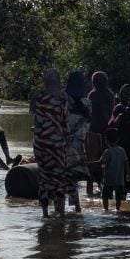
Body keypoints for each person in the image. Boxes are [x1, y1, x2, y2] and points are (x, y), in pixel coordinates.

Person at [30, 68, 70, 217]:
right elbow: (65, 121)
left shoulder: (37, 96)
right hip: (57, 144)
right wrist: (66, 139)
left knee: (44, 177)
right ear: (58, 80)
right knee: (59, 177)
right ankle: (60, 213)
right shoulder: (62, 97)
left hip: (41, 143)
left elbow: (36, 121)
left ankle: (45, 213)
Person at [65, 69, 91, 212]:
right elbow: (88, 125)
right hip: (79, 145)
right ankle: (76, 207)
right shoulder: (88, 104)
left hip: (63, 144)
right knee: (73, 177)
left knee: (62, 176)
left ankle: (60, 209)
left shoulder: (63, 101)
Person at [100, 127, 130, 212]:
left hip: (109, 179)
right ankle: (117, 209)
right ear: (118, 139)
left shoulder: (107, 151)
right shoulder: (122, 150)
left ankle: (106, 210)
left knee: (105, 196)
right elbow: (126, 162)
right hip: (119, 179)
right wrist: (128, 173)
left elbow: (102, 162)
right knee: (118, 197)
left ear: (106, 140)